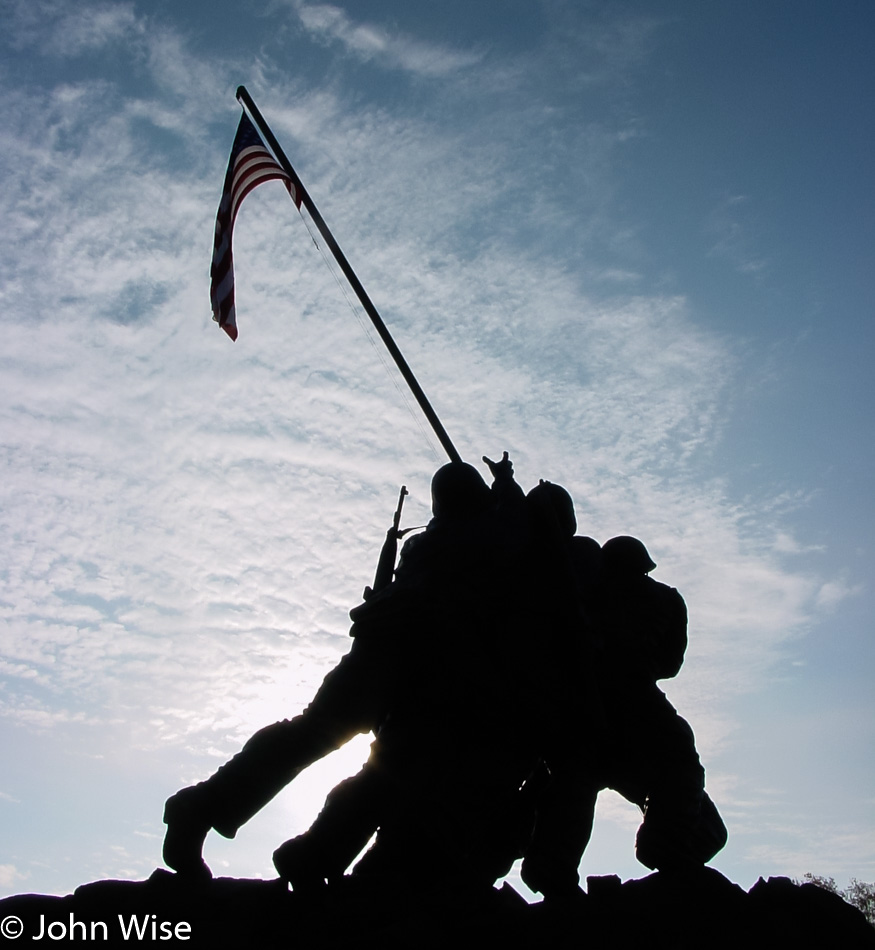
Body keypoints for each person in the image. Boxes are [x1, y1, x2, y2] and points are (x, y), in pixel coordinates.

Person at [162, 456, 540, 886]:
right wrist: (506, 483)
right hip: (408, 660)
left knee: (363, 755)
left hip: (407, 662)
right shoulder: (470, 537)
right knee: (349, 747)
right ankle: (211, 814)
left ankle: (286, 843)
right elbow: (516, 526)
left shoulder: (435, 541)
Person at [521, 535, 727, 899]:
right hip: (631, 705)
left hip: (585, 707)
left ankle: (551, 870)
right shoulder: (664, 598)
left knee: (569, 782)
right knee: (678, 764)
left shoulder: (585, 590)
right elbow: (670, 663)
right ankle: (665, 846)